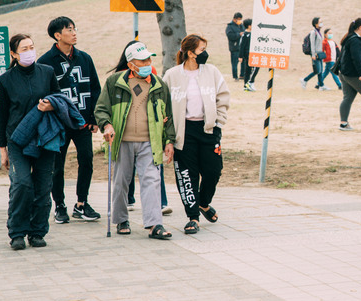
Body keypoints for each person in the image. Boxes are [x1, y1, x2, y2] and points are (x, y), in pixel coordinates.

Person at [95, 41, 175, 240]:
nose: (148, 63)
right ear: (131, 64)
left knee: (152, 181)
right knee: (121, 182)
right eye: (142, 60)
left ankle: (154, 224)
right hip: (122, 140)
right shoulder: (115, 82)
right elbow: (101, 108)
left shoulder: (159, 84)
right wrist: (107, 125)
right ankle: (121, 219)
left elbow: (168, 116)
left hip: (150, 141)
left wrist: (169, 141)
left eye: (149, 59)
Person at [0, 33, 61, 250]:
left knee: (43, 187)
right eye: (24, 49)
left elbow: (59, 99)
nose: (29, 52)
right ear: (14, 54)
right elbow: (3, 116)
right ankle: (17, 232)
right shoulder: (6, 79)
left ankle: (37, 232)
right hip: (17, 140)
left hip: (44, 138)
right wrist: (3, 148)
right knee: (22, 183)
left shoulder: (47, 72)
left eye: (31, 47)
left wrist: (51, 105)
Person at [37, 16, 103, 224]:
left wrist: (93, 118)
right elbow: (41, 95)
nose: (74, 33)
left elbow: (95, 89)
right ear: (57, 35)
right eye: (69, 30)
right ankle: (60, 205)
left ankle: (82, 203)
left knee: (87, 160)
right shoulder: (45, 62)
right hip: (58, 124)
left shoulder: (85, 58)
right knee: (57, 166)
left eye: (75, 29)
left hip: (82, 122)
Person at [163, 34, 230, 235]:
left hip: (208, 129)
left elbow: (223, 97)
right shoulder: (172, 75)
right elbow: (164, 106)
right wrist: (168, 137)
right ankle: (193, 218)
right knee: (187, 175)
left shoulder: (212, 72)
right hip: (183, 132)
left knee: (213, 171)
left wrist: (218, 123)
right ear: (191, 53)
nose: (205, 53)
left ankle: (203, 203)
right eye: (202, 50)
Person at [301, 17, 326, 90]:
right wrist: (313, 54)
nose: (321, 23)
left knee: (320, 71)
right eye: (320, 22)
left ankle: (321, 86)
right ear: (316, 24)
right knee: (317, 70)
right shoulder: (313, 32)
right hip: (315, 54)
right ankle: (304, 80)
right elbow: (312, 44)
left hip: (319, 54)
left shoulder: (319, 32)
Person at [240, 18, 259, 91]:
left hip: (252, 54)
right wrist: (240, 56)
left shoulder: (252, 34)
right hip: (248, 55)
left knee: (248, 70)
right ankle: (250, 82)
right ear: (249, 26)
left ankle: (246, 85)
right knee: (254, 67)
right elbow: (241, 46)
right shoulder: (245, 35)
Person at [225, 12, 244, 80]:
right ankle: (235, 76)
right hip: (234, 47)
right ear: (234, 19)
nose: (239, 21)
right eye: (238, 19)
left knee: (243, 62)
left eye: (240, 19)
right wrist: (239, 34)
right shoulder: (230, 26)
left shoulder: (241, 25)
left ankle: (242, 75)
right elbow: (230, 36)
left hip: (241, 47)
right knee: (234, 63)